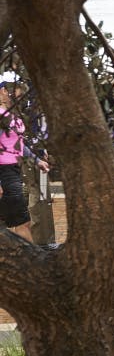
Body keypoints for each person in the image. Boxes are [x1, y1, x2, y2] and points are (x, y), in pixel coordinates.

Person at [0, 76, 50, 243]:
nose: (20, 92)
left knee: (15, 225)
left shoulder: (15, 116)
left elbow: (18, 145)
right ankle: (33, 265)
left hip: (13, 170)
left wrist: (37, 160)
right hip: (4, 173)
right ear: (4, 92)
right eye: (16, 88)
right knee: (22, 224)